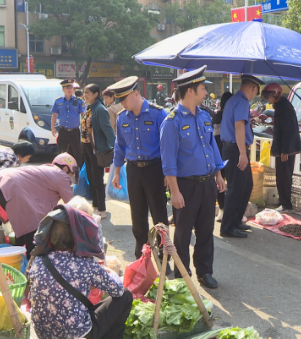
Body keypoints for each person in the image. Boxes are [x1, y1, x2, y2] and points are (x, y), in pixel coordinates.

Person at [29, 204, 133, 339]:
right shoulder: (84, 264)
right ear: (77, 236)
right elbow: (117, 290)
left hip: (45, 336)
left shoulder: (38, 261)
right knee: (125, 296)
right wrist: (112, 273)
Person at [160, 66, 226, 289]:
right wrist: (175, 192)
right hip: (185, 187)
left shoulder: (204, 116)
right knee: (183, 233)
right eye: (202, 89)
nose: (206, 93)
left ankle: (204, 272)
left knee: (206, 230)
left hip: (207, 183)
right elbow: (168, 161)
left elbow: (212, 147)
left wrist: (218, 174)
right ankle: (182, 275)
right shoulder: (172, 121)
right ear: (190, 91)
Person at [107, 76, 169, 259]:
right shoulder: (122, 118)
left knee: (159, 214)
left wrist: (168, 172)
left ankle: (164, 254)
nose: (122, 104)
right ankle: (142, 256)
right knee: (137, 216)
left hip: (155, 169)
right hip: (133, 170)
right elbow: (120, 146)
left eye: (124, 99)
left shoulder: (158, 114)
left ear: (136, 93)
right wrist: (117, 172)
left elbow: (167, 146)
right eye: (119, 100)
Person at [0, 153, 77, 257]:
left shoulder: (45, 171)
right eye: (71, 174)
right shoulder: (61, 176)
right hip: (10, 184)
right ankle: (31, 263)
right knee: (33, 225)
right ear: (65, 169)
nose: (70, 179)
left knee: (22, 224)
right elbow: (72, 205)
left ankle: (17, 258)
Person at [220, 75, 264, 238]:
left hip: (233, 148)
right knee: (236, 188)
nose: (255, 96)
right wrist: (243, 154)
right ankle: (228, 226)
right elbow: (239, 127)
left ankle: (236, 220)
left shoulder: (234, 99)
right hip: (235, 150)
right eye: (256, 92)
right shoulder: (242, 101)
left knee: (245, 186)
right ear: (253, 88)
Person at [261, 83, 301, 213]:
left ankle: (287, 205)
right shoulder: (280, 106)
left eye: (269, 97)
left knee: (284, 177)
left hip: (287, 150)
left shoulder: (285, 107)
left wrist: (285, 151)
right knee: (280, 176)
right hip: (283, 148)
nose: (268, 100)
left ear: (276, 94)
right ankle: (283, 201)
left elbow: (289, 131)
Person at [81, 84, 115, 218]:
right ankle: (94, 205)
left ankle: (102, 209)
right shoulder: (89, 109)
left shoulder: (100, 110)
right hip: (87, 148)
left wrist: (117, 148)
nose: (85, 95)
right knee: (90, 178)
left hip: (97, 149)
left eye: (88, 93)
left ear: (96, 94)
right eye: (84, 93)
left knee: (97, 179)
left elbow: (108, 130)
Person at [50, 79, 85, 168]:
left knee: (77, 153)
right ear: (63, 89)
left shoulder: (79, 101)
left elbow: (83, 115)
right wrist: (53, 128)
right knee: (61, 152)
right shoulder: (58, 101)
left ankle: (77, 172)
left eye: (71, 88)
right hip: (63, 130)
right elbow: (54, 115)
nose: (69, 90)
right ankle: (60, 170)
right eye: (67, 88)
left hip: (75, 131)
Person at [212, 92, 233, 222]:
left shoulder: (217, 116)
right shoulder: (229, 116)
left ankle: (222, 210)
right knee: (228, 183)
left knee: (220, 182)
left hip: (218, 153)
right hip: (227, 153)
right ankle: (227, 211)